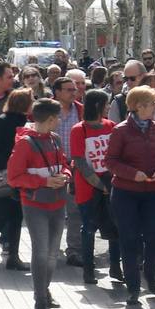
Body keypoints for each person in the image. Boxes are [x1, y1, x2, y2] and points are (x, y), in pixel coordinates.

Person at [103, 85, 155, 306]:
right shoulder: (120, 130)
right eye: (151, 104)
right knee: (129, 239)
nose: (154, 108)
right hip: (126, 193)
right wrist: (133, 174)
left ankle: (149, 274)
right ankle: (133, 287)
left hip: (153, 192)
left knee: (154, 237)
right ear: (139, 106)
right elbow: (111, 162)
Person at [8, 99, 72, 309]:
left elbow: (64, 164)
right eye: (58, 117)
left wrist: (66, 175)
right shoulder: (25, 143)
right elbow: (14, 177)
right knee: (41, 251)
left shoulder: (54, 139)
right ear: (51, 119)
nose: (60, 121)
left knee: (52, 253)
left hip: (57, 203)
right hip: (35, 205)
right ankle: (39, 298)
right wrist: (44, 182)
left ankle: (44, 291)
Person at [70, 89, 119, 284]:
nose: (109, 107)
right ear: (98, 106)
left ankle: (115, 266)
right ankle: (89, 270)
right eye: (106, 103)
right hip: (88, 188)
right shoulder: (78, 130)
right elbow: (80, 162)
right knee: (89, 228)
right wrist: (99, 184)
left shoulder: (111, 126)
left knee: (115, 226)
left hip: (111, 183)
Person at [0, 89, 35, 270]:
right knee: (6, 214)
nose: (33, 103)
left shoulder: (5, 120)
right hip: (5, 176)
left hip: (8, 174)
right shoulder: (12, 123)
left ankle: (14, 256)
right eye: (31, 100)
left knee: (14, 214)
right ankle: (13, 256)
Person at [50, 77, 84, 266]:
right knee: (51, 211)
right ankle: (50, 248)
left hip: (75, 166)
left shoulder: (80, 109)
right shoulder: (46, 110)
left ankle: (74, 250)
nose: (74, 92)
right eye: (69, 89)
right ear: (57, 92)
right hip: (50, 168)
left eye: (76, 89)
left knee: (74, 210)